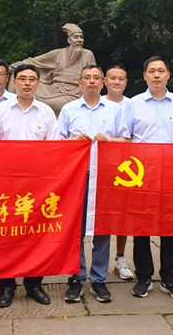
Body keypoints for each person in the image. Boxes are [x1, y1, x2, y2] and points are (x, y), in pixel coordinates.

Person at [0, 64, 59, 308]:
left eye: (32, 79)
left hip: (37, 185)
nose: (27, 83)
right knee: (6, 236)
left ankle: (34, 284)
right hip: (6, 184)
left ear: (38, 83)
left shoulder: (46, 112)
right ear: (14, 82)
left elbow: (53, 149)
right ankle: (6, 286)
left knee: (36, 235)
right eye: (22, 79)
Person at [123, 56, 173, 300]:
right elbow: (126, 139)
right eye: (151, 71)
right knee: (141, 228)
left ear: (168, 75)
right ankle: (143, 276)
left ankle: (169, 278)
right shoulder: (133, 103)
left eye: (160, 71)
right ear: (144, 76)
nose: (156, 75)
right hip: (141, 176)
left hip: (172, 174)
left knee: (170, 226)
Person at [59, 65, 129, 304]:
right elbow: (57, 141)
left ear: (103, 82)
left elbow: (126, 139)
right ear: (79, 83)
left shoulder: (114, 109)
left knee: (102, 229)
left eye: (96, 78)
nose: (91, 81)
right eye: (87, 78)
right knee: (75, 229)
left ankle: (99, 279)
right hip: (76, 177)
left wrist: (109, 140)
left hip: (106, 177)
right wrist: (73, 141)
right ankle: (76, 278)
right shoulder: (68, 109)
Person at [8, 23, 96, 115]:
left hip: (74, 94)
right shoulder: (59, 54)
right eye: (76, 37)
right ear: (69, 40)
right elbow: (33, 61)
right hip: (51, 90)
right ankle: (10, 110)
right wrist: (10, 68)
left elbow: (94, 77)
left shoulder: (88, 55)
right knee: (16, 75)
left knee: (48, 104)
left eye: (81, 37)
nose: (80, 40)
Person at [103, 64, 134, 281]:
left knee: (123, 215)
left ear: (126, 82)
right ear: (104, 81)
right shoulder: (96, 102)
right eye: (112, 78)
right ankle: (96, 260)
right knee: (100, 214)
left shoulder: (133, 104)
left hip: (126, 168)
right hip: (99, 168)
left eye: (121, 79)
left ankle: (120, 258)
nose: (116, 82)